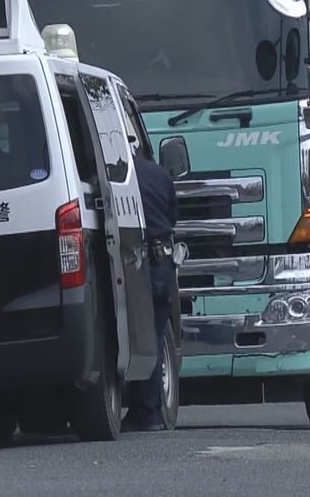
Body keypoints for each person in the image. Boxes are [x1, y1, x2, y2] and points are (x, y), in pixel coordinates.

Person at [122, 145, 179, 432]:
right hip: (163, 263)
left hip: (136, 263)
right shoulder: (159, 175)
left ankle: (145, 411)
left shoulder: (118, 177)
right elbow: (172, 218)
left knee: (139, 336)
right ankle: (150, 411)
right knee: (154, 335)